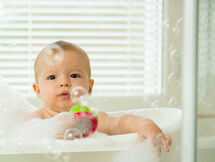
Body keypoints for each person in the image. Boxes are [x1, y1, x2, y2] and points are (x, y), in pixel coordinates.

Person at [24, 40, 172, 153]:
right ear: (38, 90)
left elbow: (120, 122)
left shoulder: (90, 120)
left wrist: (145, 125)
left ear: (89, 87)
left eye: (74, 75)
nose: (64, 82)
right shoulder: (34, 121)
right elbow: (18, 139)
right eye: (51, 77)